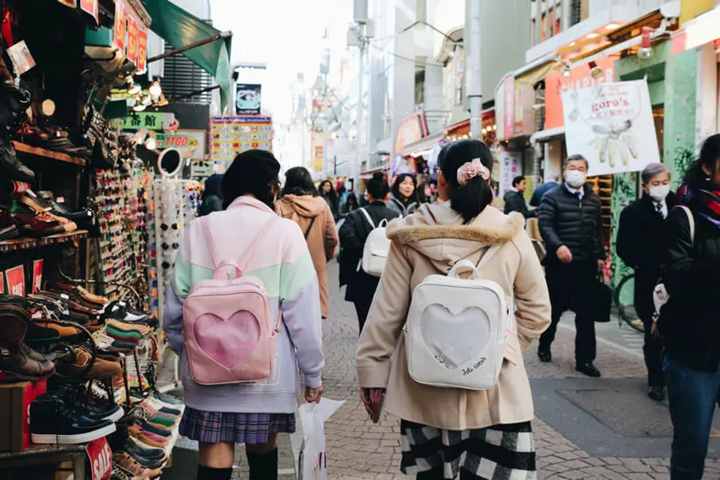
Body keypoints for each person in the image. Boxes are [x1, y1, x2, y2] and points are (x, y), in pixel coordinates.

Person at [356, 140, 551, 480]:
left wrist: (372, 373)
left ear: (441, 180)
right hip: (498, 396)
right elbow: (538, 310)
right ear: (489, 178)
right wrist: (498, 348)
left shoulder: (410, 235)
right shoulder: (510, 233)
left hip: (423, 392)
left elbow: (386, 313)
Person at [163, 150, 324, 480]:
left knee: (214, 451)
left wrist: (193, 353)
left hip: (207, 377)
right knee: (263, 450)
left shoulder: (199, 230)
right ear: (270, 188)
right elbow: (302, 314)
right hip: (267, 376)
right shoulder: (285, 233)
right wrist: (313, 374)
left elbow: (174, 310)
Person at [661, 134, 720, 480]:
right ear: (707, 168)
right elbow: (679, 280)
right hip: (694, 352)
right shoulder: (685, 216)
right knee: (691, 447)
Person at [537, 154, 604, 377]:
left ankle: (585, 360)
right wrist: (557, 246)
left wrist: (601, 256)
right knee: (555, 310)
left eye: (581, 168)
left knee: (586, 314)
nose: (576, 171)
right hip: (560, 266)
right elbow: (545, 224)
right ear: (565, 171)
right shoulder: (552, 197)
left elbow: (597, 231)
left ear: (587, 172)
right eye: (572, 167)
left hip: (585, 266)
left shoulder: (594, 200)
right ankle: (545, 343)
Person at [616, 163, 676, 402]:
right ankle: (656, 380)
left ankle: (673, 375)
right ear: (645, 185)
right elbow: (623, 248)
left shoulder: (680, 206)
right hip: (648, 281)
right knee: (653, 334)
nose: (661, 187)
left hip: (678, 279)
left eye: (664, 182)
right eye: (656, 183)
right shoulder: (633, 212)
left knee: (676, 331)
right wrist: (642, 264)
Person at [338, 175, 399, 333]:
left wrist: (365, 250)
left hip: (362, 275)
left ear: (368, 194)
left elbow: (345, 236)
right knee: (386, 324)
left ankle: (365, 352)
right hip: (390, 276)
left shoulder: (356, 215)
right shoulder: (397, 217)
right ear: (387, 195)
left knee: (364, 321)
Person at [276, 166, 338, 319]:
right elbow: (332, 238)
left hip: (288, 267)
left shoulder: (279, 206)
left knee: (286, 316)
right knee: (313, 314)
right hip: (315, 265)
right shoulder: (321, 205)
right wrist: (325, 256)